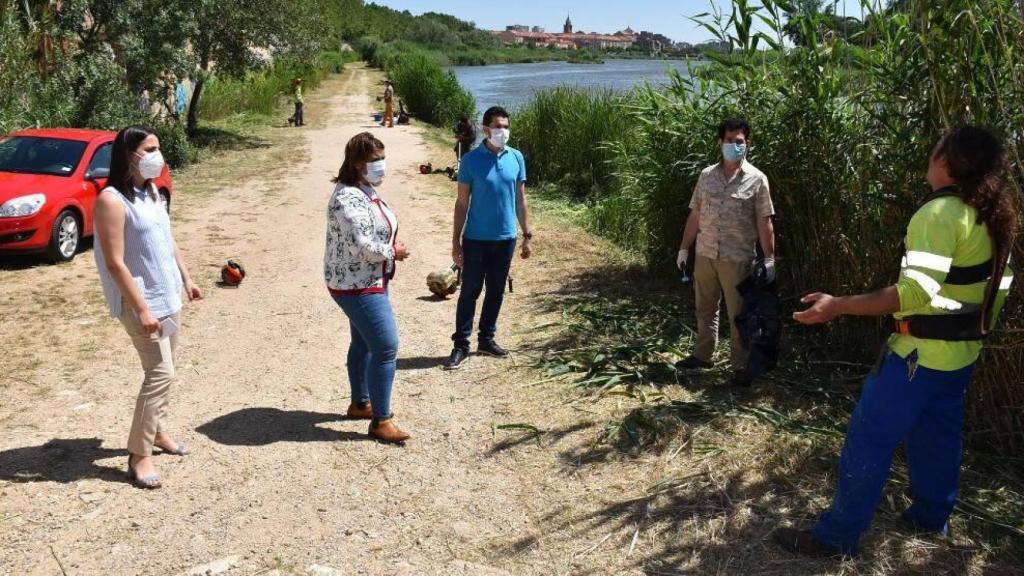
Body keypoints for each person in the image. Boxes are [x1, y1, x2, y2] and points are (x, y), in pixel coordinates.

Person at [775, 125, 1017, 558]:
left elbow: (914, 294)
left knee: (868, 440)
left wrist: (838, 305)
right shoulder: (994, 213)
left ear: (945, 161)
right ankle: (931, 516)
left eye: (936, 148)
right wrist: (971, 336)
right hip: (960, 356)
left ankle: (836, 537)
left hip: (916, 360)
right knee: (937, 438)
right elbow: (999, 288)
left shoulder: (939, 215)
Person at [93, 125, 203, 489]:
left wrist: (186, 279)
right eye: (151, 148)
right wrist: (141, 308)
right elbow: (115, 262)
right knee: (160, 374)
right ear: (130, 154)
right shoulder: (111, 200)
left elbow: (166, 238)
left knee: (165, 371)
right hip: (142, 303)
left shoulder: (152, 191)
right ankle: (138, 455)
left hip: (167, 294)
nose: (159, 154)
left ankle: (156, 432)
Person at [675, 118, 776, 386]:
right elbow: (695, 215)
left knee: (739, 316)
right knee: (705, 308)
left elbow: (764, 221)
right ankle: (702, 354)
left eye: (739, 141)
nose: (734, 145)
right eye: (729, 141)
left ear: (747, 144)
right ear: (720, 143)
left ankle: (742, 366)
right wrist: (684, 248)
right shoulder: (707, 176)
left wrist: (769, 258)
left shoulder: (757, 180)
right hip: (706, 254)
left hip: (738, 259)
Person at [324, 132, 411, 443]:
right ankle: (380, 420)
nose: (381, 166)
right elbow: (362, 247)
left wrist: (387, 244)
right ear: (357, 163)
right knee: (385, 346)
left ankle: (360, 403)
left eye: (382, 158)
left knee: (362, 342)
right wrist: (393, 252)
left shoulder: (364, 188)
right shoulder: (347, 198)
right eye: (375, 160)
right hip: (356, 283)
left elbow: (373, 231)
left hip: (367, 278)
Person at [444, 106, 533, 370]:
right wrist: (455, 242)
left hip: (506, 239)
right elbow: (461, 204)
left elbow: (520, 198)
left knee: (496, 291)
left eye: (506, 126)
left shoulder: (516, 157)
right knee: (470, 292)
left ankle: (486, 339)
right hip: (476, 239)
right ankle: (461, 344)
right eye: (497, 126)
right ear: (485, 129)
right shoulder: (471, 161)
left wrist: (527, 235)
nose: (502, 131)